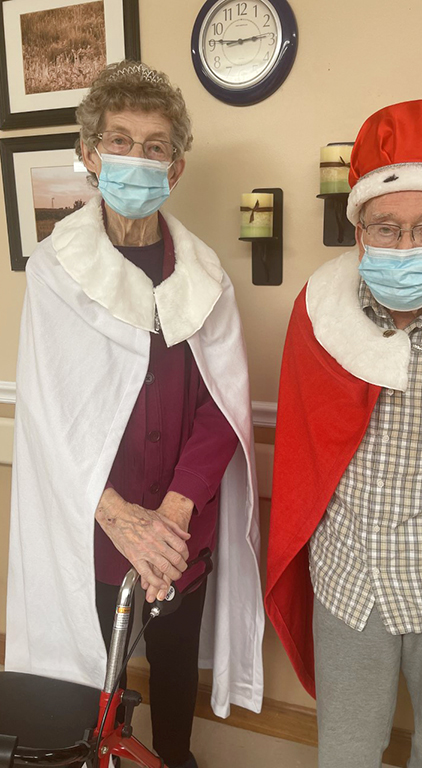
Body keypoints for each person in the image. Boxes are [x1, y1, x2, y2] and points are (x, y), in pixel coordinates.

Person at [6, 61, 264, 768]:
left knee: (176, 713)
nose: (136, 158)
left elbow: (222, 407)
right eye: (118, 141)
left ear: (175, 168)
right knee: (91, 703)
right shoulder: (57, 272)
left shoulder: (205, 274)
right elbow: (52, 416)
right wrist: (123, 520)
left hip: (183, 543)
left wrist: (172, 520)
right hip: (93, 536)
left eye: (154, 147)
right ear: (89, 155)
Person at [266, 98, 422, 768]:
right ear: (360, 233)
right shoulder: (319, 318)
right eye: (387, 227)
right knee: (344, 755)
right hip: (354, 581)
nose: (406, 245)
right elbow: (302, 457)